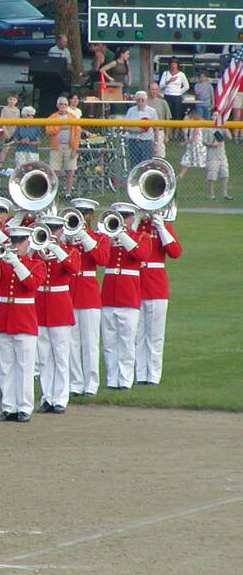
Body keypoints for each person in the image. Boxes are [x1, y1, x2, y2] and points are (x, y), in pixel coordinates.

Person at [0, 227, 45, 422]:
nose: (15, 245)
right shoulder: (3, 264)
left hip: (24, 320)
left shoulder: (36, 264)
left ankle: (24, 407)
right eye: (13, 242)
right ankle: (9, 406)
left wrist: (15, 262)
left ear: (28, 243)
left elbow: (31, 284)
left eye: (20, 242)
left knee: (25, 367)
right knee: (5, 367)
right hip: (5, 319)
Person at [99, 202, 152, 390]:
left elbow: (141, 254)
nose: (121, 220)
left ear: (131, 219)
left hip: (129, 298)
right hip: (108, 296)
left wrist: (123, 234)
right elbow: (101, 258)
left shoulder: (141, 237)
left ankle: (126, 379)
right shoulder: (107, 238)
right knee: (109, 342)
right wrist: (111, 237)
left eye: (125, 216)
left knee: (128, 341)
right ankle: (112, 379)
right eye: (118, 216)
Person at [33, 216, 81, 414]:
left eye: (55, 229)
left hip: (60, 308)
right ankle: (47, 397)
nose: (52, 233)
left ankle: (60, 398)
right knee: (44, 356)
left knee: (61, 356)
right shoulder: (37, 251)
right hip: (41, 307)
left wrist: (56, 249)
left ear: (62, 231)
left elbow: (73, 268)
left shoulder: (69, 251)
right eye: (48, 229)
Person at [66, 199, 110, 398]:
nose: (81, 216)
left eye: (85, 213)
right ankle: (75, 382)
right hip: (69, 292)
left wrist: (83, 236)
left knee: (90, 341)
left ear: (91, 216)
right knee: (72, 342)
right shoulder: (66, 237)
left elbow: (102, 259)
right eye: (78, 212)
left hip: (88, 293)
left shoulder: (99, 237)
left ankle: (91, 382)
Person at [136, 210, 182, 386]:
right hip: (137, 284)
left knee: (155, 334)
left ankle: (153, 375)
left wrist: (161, 227)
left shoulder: (163, 226)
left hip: (156, 286)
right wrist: (136, 221)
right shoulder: (136, 227)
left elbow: (175, 252)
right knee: (137, 334)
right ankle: (140, 374)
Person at [45, 96, 81, 198]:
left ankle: (68, 193)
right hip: (56, 147)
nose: (63, 106)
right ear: (57, 105)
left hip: (70, 147)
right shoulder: (52, 117)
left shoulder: (73, 117)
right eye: (61, 104)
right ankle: (54, 192)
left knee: (70, 170)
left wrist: (75, 149)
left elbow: (77, 134)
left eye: (65, 104)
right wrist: (60, 127)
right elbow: (49, 131)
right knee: (54, 170)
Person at [124, 91, 157, 168]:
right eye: (138, 100)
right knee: (134, 165)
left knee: (146, 164)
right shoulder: (131, 111)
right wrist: (136, 129)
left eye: (142, 100)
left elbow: (156, 128)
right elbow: (125, 126)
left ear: (146, 100)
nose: (140, 102)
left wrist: (156, 143)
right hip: (133, 141)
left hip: (146, 141)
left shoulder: (152, 111)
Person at [202, 126, 232, 199]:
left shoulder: (222, 127)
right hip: (212, 156)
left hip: (222, 155)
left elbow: (230, 137)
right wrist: (212, 144)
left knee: (225, 174)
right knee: (211, 176)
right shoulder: (207, 128)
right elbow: (203, 142)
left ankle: (225, 194)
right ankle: (211, 195)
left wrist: (226, 129)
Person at [158, 57, 189, 126]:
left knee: (177, 116)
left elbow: (186, 86)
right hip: (168, 96)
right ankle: (168, 133)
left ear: (177, 64)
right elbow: (160, 86)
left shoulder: (181, 74)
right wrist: (169, 81)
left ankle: (176, 134)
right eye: (172, 63)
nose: (173, 65)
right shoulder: (165, 73)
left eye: (175, 63)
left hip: (177, 97)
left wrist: (178, 92)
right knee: (168, 116)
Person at [177, 108, 206, 179]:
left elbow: (194, 138)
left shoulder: (197, 125)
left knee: (202, 161)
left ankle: (208, 175)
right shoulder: (193, 125)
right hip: (191, 146)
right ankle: (181, 175)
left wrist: (184, 143)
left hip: (197, 145)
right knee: (187, 160)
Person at [146, 81, 172, 157]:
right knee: (148, 155)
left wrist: (167, 135)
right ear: (148, 90)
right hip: (147, 132)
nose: (154, 91)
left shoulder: (163, 103)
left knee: (159, 154)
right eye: (152, 89)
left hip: (159, 131)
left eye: (156, 89)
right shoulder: (145, 102)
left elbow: (167, 120)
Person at [0, 93, 21, 165]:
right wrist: (5, 132)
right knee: (5, 149)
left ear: (16, 101)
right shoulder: (5, 109)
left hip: (15, 132)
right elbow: (2, 121)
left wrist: (17, 133)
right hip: (7, 132)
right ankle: (0, 165)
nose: (12, 101)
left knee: (17, 149)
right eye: (10, 99)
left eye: (14, 100)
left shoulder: (17, 110)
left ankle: (18, 164)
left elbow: (18, 122)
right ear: (8, 100)